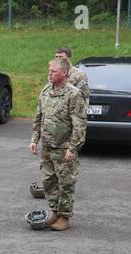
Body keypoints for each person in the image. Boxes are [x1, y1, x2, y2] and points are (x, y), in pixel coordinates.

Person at [29, 58, 87, 231]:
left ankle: (64, 216)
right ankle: (54, 211)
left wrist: (72, 148)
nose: (50, 74)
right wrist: (34, 139)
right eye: (49, 71)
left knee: (66, 183)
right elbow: (38, 117)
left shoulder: (74, 94)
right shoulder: (46, 91)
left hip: (64, 148)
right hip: (47, 146)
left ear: (64, 73)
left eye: (53, 71)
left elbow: (79, 124)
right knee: (48, 181)